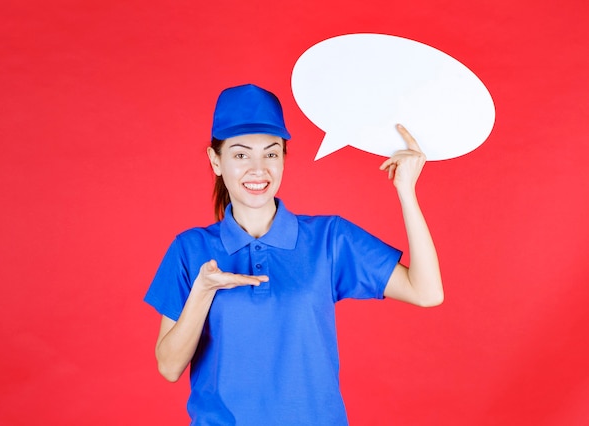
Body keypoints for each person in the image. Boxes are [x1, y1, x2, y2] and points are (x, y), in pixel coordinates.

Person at [144, 83, 443, 425]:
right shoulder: (189, 249)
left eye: (270, 153)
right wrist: (202, 292)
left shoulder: (328, 238)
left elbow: (427, 292)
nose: (258, 169)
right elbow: (168, 367)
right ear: (216, 161)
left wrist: (406, 191)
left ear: (284, 158)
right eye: (241, 154)